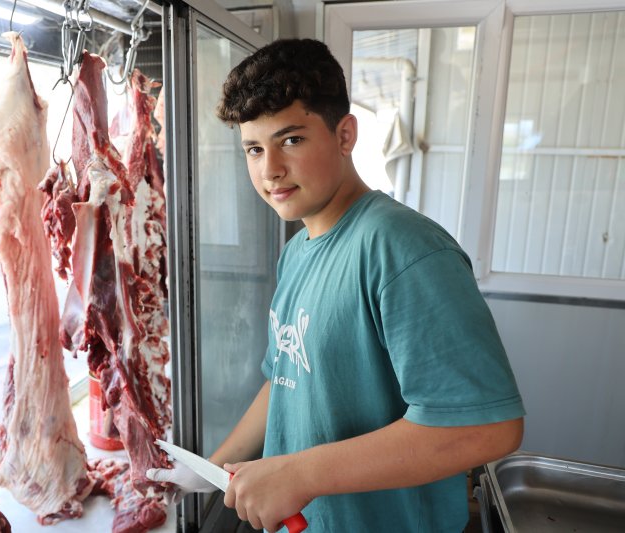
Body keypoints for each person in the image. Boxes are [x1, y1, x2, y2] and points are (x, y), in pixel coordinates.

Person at [147, 38, 525, 532]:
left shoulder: (402, 248)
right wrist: (212, 468)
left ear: (345, 135)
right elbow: (284, 379)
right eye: (254, 149)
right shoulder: (297, 251)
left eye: (291, 140)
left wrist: (300, 474)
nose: (269, 170)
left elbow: (487, 427)